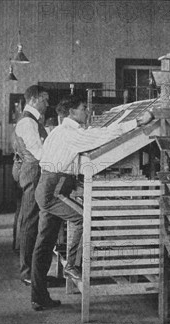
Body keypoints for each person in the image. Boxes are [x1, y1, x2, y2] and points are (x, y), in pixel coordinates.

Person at [31, 95, 154, 311]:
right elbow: (101, 135)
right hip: (54, 189)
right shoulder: (70, 134)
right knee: (83, 219)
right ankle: (72, 266)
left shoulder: (58, 131)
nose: (87, 111)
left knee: (44, 243)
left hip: (46, 186)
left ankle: (38, 296)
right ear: (71, 112)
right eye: (83, 108)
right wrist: (137, 122)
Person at [12, 85, 49, 286]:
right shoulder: (28, 121)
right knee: (30, 221)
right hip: (33, 172)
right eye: (45, 99)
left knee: (30, 219)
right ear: (34, 99)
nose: (47, 103)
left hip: (31, 171)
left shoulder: (31, 120)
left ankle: (31, 271)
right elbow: (39, 152)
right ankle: (28, 273)